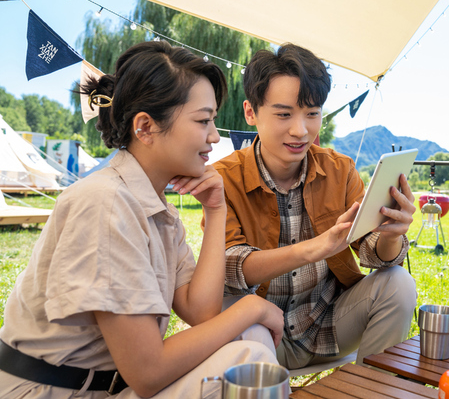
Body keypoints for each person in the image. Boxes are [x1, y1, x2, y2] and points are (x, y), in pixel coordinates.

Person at [0, 41, 283, 399]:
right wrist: (251, 306)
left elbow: (202, 311)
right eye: (203, 121)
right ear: (146, 127)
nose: (214, 136)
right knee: (250, 351)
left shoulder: (157, 208)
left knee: (251, 338)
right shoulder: (105, 202)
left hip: (108, 387)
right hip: (51, 392)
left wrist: (216, 210)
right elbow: (148, 373)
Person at [213, 43, 417, 369]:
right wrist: (316, 247)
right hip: (261, 332)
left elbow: (372, 252)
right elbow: (229, 269)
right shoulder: (223, 179)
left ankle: (375, 390)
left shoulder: (341, 170)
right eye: (284, 114)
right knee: (241, 315)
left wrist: (392, 233)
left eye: (312, 113)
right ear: (251, 112)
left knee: (398, 284)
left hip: (331, 323)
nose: (300, 130)